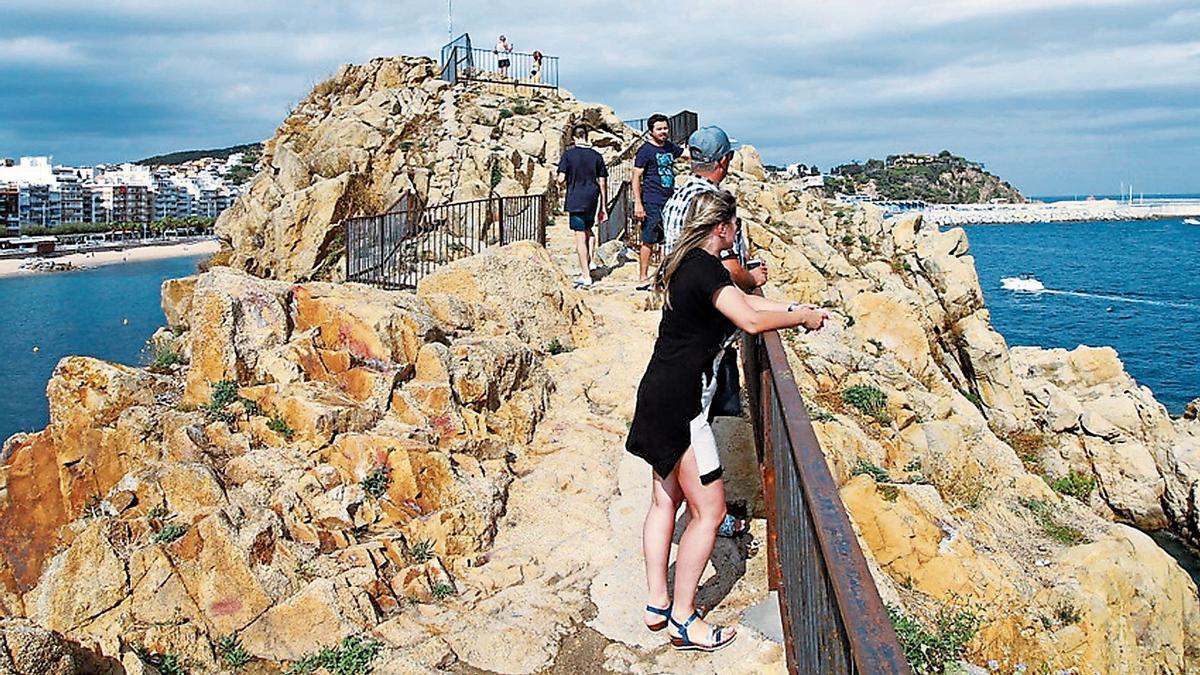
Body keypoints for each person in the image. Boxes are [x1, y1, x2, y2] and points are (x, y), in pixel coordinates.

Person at [626, 190, 828, 652]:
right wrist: (800, 322)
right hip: (683, 406)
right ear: (723, 227)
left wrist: (798, 310)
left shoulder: (687, 263)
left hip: (658, 392)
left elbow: (749, 306)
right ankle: (683, 619)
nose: (737, 233)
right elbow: (751, 322)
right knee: (710, 512)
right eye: (734, 225)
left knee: (664, 504)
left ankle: (657, 602)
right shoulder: (706, 268)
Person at [662, 126, 766, 292]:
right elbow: (730, 268)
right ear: (724, 160)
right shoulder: (713, 202)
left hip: (681, 291)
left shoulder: (677, 197)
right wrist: (753, 278)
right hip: (714, 297)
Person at [632, 114, 687, 290]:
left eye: (665, 128)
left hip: (669, 200)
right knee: (648, 239)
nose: (664, 132)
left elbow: (686, 154)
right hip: (652, 200)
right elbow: (636, 177)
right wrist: (638, 203)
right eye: (660, 129)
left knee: (667, 239)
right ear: (651, 131)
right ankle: (643, 277)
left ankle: (662, 276)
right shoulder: (645, 151)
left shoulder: (670, 147)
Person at [556, 124, 609, 287]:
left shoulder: (568, 155)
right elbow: (603, 182)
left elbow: (561, 179)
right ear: (587, 136)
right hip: (592, 197)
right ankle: (591, 261)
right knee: (588, 229)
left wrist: (558, 179)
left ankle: (585, 275)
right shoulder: (596, 156)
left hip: (576, 197)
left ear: (573, 138)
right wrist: (604, 207)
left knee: (580, 236)